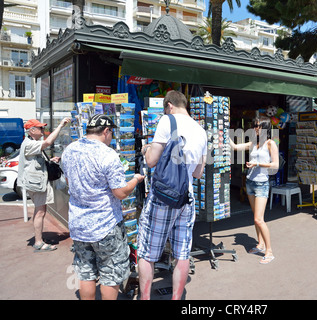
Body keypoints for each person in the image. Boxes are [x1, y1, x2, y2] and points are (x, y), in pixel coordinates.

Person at [61, 114, 144, 300]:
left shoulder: (69, 150)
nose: (112, 137)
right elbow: (121, 192)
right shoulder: (108, 154)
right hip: (105, 225)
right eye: (111, 133)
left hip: (79, 224)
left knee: (86, 272)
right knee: (110, 275)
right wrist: (135, 180)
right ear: (106, 131)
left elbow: (69, 182)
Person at [137, 91, 207, 300]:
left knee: (147, 251)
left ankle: (145, 298)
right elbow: (198, 173)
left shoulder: (167, 121)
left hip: (163, 197)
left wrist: (145, 149)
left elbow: (151, 161)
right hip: (187, 198)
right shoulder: (201, 130)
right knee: (182, 253)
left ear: (169, 105)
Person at [229, 116, 279, 265]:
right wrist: (224, 133)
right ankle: (260, 244)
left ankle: (269, 251)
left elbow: (275, 165)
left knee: (259, 219)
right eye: (254, 125)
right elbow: (235, 147)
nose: (255, 128)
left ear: (265, 127)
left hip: (262, 184)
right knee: (255, 217)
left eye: (257, 126)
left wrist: (258, 164)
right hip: (250, 182)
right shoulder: (254, 143)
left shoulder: (271, 144)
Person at [17, 117, 71, 252]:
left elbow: (34, 161)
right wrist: (60, 126)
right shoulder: (29, 144)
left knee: (40, 211)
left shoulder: (31, 142)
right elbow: (48, 142)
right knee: (40, 212)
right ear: (32, 130)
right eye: (40, 128)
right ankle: (39, 242)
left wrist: (50, 160)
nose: (43, 130)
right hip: (36, 184)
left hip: (36, 182)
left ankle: (39, 238)